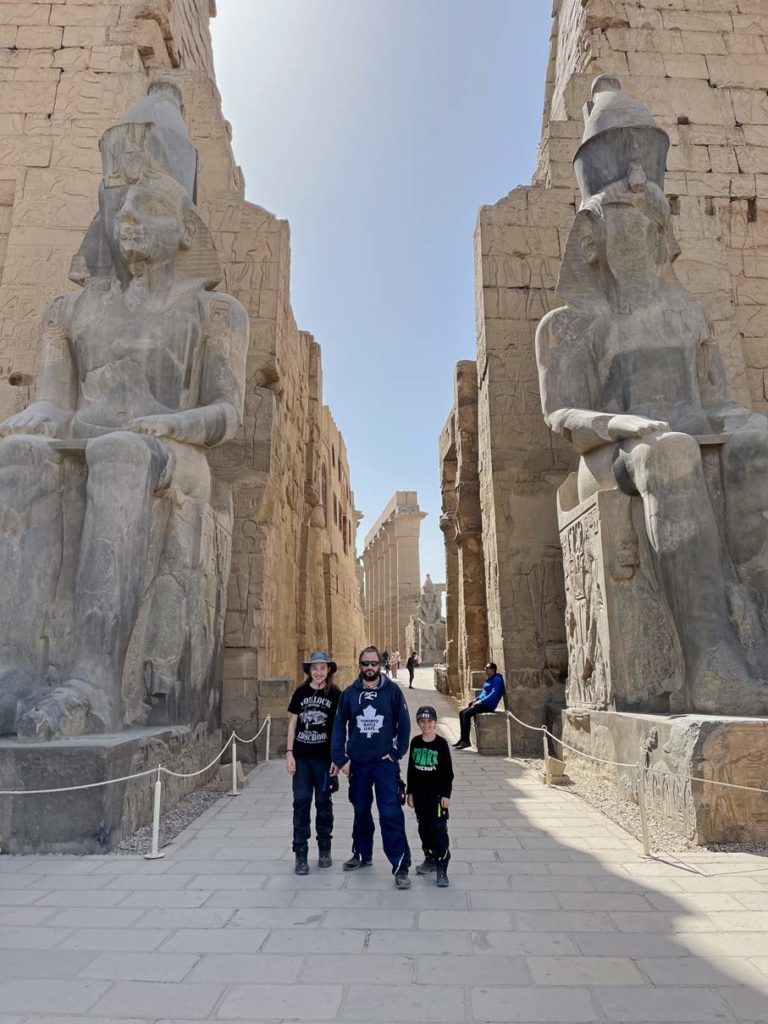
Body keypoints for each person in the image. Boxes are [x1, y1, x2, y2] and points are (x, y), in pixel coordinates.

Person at [330, 645, 412, 888]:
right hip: (359, 764)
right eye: (365, 663)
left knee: (390, 813)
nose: (369, 668)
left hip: (384, 764)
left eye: (373, 663)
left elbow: (404, 723)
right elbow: (338, 727)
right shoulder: (349, 694)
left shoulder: (392, 692)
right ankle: (362, 853)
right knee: (361, 810)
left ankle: (400, 865)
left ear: (380, 664)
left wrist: (397, 752)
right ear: (360, 665)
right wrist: (341, 759)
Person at [286, 651, 342, 875]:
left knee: (323, 803)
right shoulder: (301, 692)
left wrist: (338, 757)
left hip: (323, 759)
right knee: (300, 803)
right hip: (301, 757)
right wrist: (289, 753)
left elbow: (340, 726)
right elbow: (293, 723)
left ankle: (324, 848)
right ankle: (301, 852)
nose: (318, 672)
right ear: (309, 670)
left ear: (328, 670)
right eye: (315, 668)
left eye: (323, 668)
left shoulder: (334, 693)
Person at [406, 705, 453, 887]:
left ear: (435, 722)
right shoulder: (415, 742)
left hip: (437, 796)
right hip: (420, 795)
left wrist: (446, 794)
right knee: (424, 828)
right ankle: (430, 857)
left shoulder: (441, 744)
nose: (426, 725)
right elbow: (411, 769)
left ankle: (442, 867)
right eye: (423, 721)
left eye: (430, 721)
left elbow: (448, 773)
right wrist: (410, 792)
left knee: (439, 829)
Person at [454, 663, 505, 749]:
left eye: (487, 668)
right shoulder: (489, 679)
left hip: (488, 705)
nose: (485, 669)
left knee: (466, 714)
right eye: (485, 667)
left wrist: (481, 701)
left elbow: (494, 694)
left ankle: (466, 741)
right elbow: (484, 692)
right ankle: (463, 739)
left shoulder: (497, 680)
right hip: (482, 703)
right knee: (461, 713)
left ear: (493, 670)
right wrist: (476, 699)